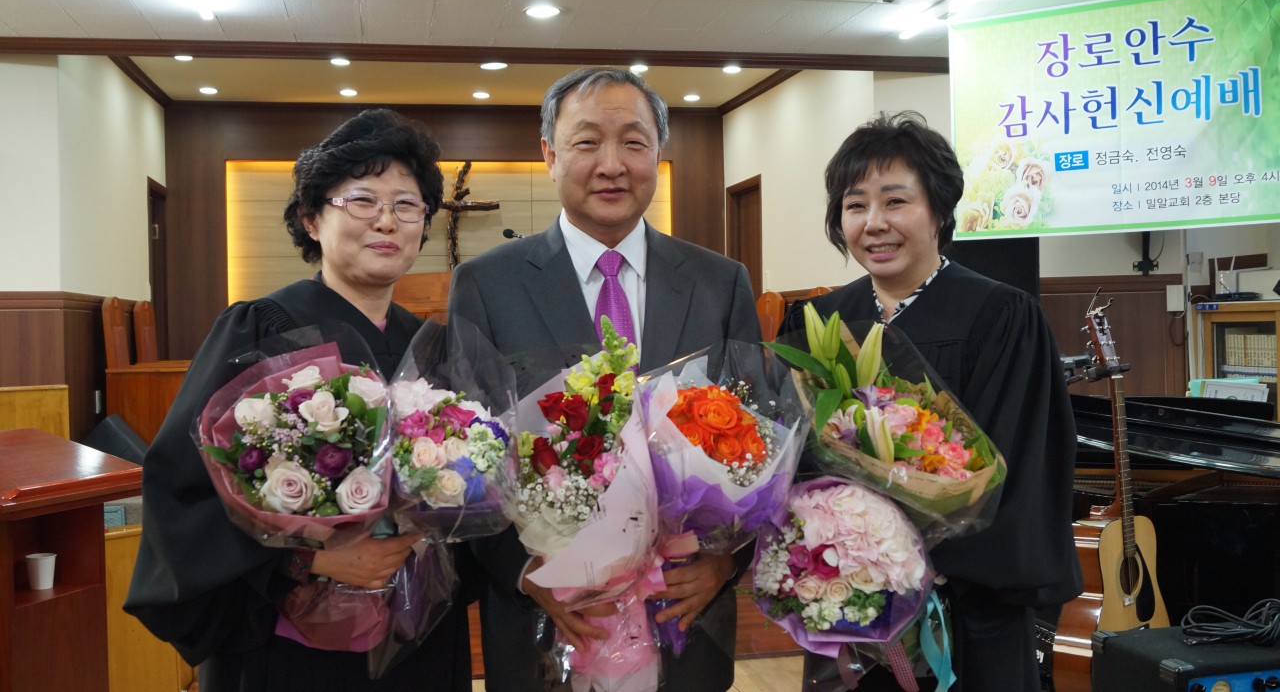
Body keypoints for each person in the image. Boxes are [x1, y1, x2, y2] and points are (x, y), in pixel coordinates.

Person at [124, 109, 473, 691]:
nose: (387, 221)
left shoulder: (432, 347)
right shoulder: (261, 329)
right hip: (290, 640)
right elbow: (183, 486)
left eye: (407, 205)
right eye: (362, 200)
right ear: (312, 219)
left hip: (419, 628)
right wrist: (310, 561)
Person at [448, 67, 761, 692]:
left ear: (657, 152)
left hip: (682, 618)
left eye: (634, 142)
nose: (612, 163)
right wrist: (527, 571)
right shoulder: (487, 284)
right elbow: (463, 455)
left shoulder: (720, 282)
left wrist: (726, 562)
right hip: (551, 623)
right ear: (550, 154)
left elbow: (759, 441)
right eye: (588, 141)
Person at [779, 111, 1082, 691]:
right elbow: (799, 464)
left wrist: (917, 566)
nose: (874, 224)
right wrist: (829, 554)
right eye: (855, 205)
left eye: (895, 202)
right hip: (849, 605)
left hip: (966, 611)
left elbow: (1017, 466)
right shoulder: (820, 322)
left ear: (940, 211)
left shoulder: (1000, 316)